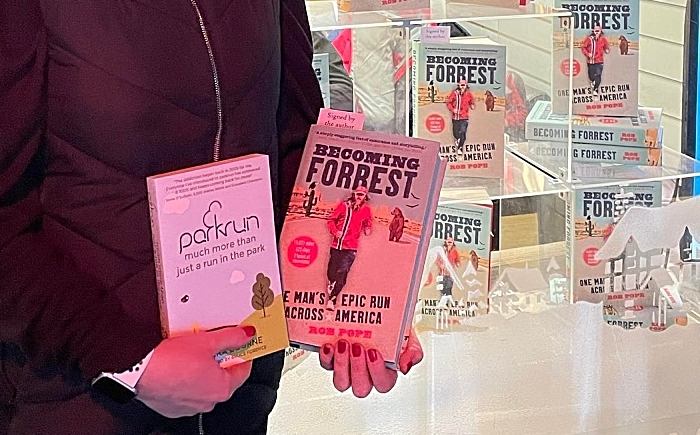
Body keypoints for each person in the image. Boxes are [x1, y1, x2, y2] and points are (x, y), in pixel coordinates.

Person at [0, 1, 422, 434]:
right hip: (78, 400)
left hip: (241, 390)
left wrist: (363, 308)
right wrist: (130, 361)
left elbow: (294, 146)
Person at [325, 186, 373, 311]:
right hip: (337, 245)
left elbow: (368, 222)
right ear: (353, 194)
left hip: (351, 248)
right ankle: (331, 282)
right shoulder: (344, 206)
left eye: (361, 195)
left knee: (343, 272)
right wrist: (335, 231)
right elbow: (331, 221)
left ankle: (332, 299)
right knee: (332, 271)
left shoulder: (366, 210)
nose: (359, 197)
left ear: (365, 198)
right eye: (357, 194)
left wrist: (367, 229)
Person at [446, 79, 476, 150]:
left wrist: (472, 105)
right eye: (461, 85)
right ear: (459, 85)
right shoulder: (455, 93)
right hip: (456, 117)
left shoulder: (468, 94)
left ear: (466, 86)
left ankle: (460, 147)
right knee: (455, 132)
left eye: (464, 85)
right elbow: (448, 103)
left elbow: (471, 102)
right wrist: (453, 110)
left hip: (464, 117)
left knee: (463, 132)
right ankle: (457, 138)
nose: (462, 87)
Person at [581, 24, 610, 96]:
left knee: (598, 75)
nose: (597, 32)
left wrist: (606, 50)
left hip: (599, 61)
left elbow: (606, 47)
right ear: (593, 31)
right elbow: (583, 48)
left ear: (600, 31)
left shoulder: (603, 39)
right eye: (595, 30)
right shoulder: (589, 39)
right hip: (591, 61)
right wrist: (588, 54)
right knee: (591, 75)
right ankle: (592, 81)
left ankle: (595, 89)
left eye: (598, 30)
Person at [435, 237, 461, 308]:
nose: (449, 243)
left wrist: (457, 263)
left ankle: (447, 304)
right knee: (443, 288)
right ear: (445, 242)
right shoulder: (442, 250)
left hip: (450, 273)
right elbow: (437, 260)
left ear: (453, 243)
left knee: (449, 288)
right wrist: (440, 265)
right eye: (448, 241)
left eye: (451, 242)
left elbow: (457, 259)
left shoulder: (454, 251)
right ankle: (443, 303)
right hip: (442, 273)